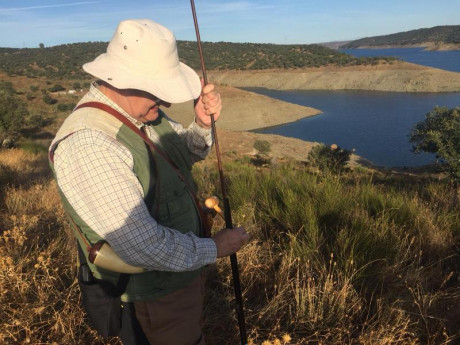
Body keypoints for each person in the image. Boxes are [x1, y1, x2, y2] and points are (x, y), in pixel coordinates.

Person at [49, 19, 250, 345]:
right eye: (160, 92)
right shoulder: (90, 143)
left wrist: (200, 122)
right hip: (151, 301)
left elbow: (182, 155)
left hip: (177, 282)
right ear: (125, 82)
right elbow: (143, 246)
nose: (168, 104)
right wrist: (215, 247)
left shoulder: (144, 110)